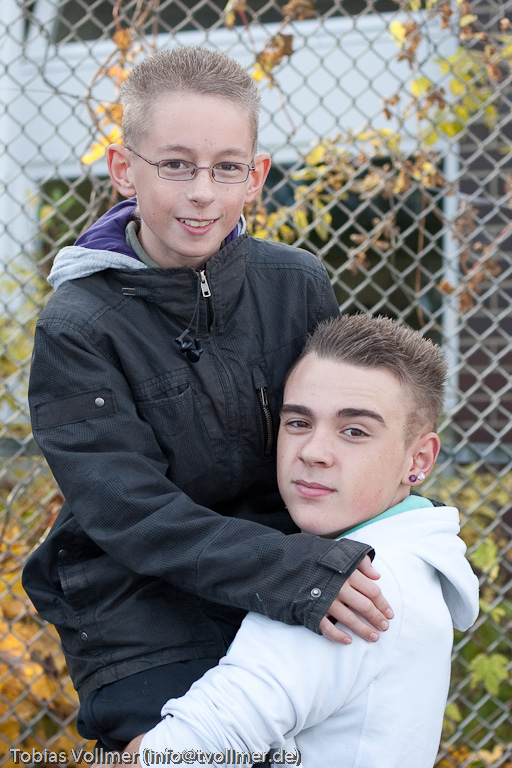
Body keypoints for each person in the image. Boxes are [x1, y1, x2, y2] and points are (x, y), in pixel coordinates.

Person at [22, 47, 392, 752]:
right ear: (123, 169)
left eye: (226, 167)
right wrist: (292, 572)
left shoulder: (296, 284)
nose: (202, 192)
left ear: (256, 176)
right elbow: (131, 514)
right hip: (143, 607)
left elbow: (351, 432)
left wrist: (410, 527)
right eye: (175, 165)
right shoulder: (79, 324)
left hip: (288, 571)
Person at [123, 314, 479, 768]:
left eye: (354, 431)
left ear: (419, 459)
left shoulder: (350, 583)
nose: (312, 452)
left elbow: (170, 756)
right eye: (298, 422)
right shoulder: (413, 560)